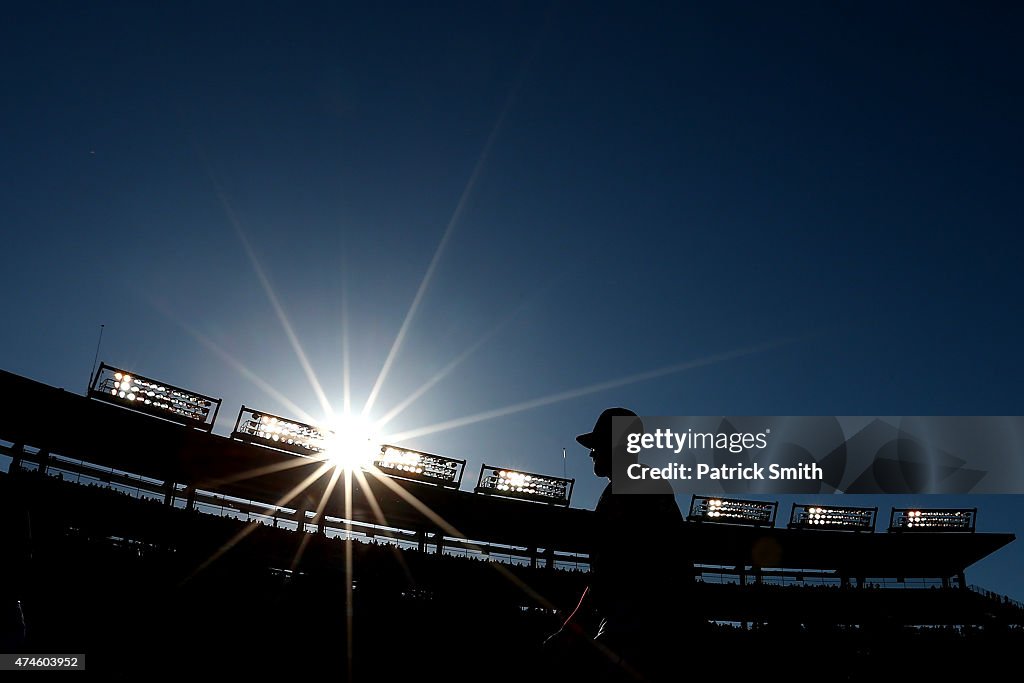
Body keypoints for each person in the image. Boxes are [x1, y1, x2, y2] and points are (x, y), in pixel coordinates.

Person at [544, 408, 691, 681]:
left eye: (596, 445)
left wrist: (571, 629)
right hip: (648, 620)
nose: (591, 453)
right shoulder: (640, 484)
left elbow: (614, 572)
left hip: (639, 623)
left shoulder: (630, 488)